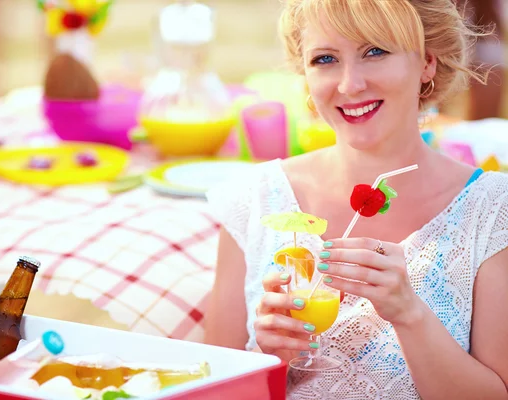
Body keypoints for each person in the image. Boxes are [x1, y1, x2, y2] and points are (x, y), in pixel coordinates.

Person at [204, 0, 508, 399]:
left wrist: (410, 315)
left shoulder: (491, 210)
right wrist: (271, 358)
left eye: (375, 51)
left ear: (427, 63)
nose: (349, 84)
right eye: (325, 58)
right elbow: (208, 389)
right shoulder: (256, 199)